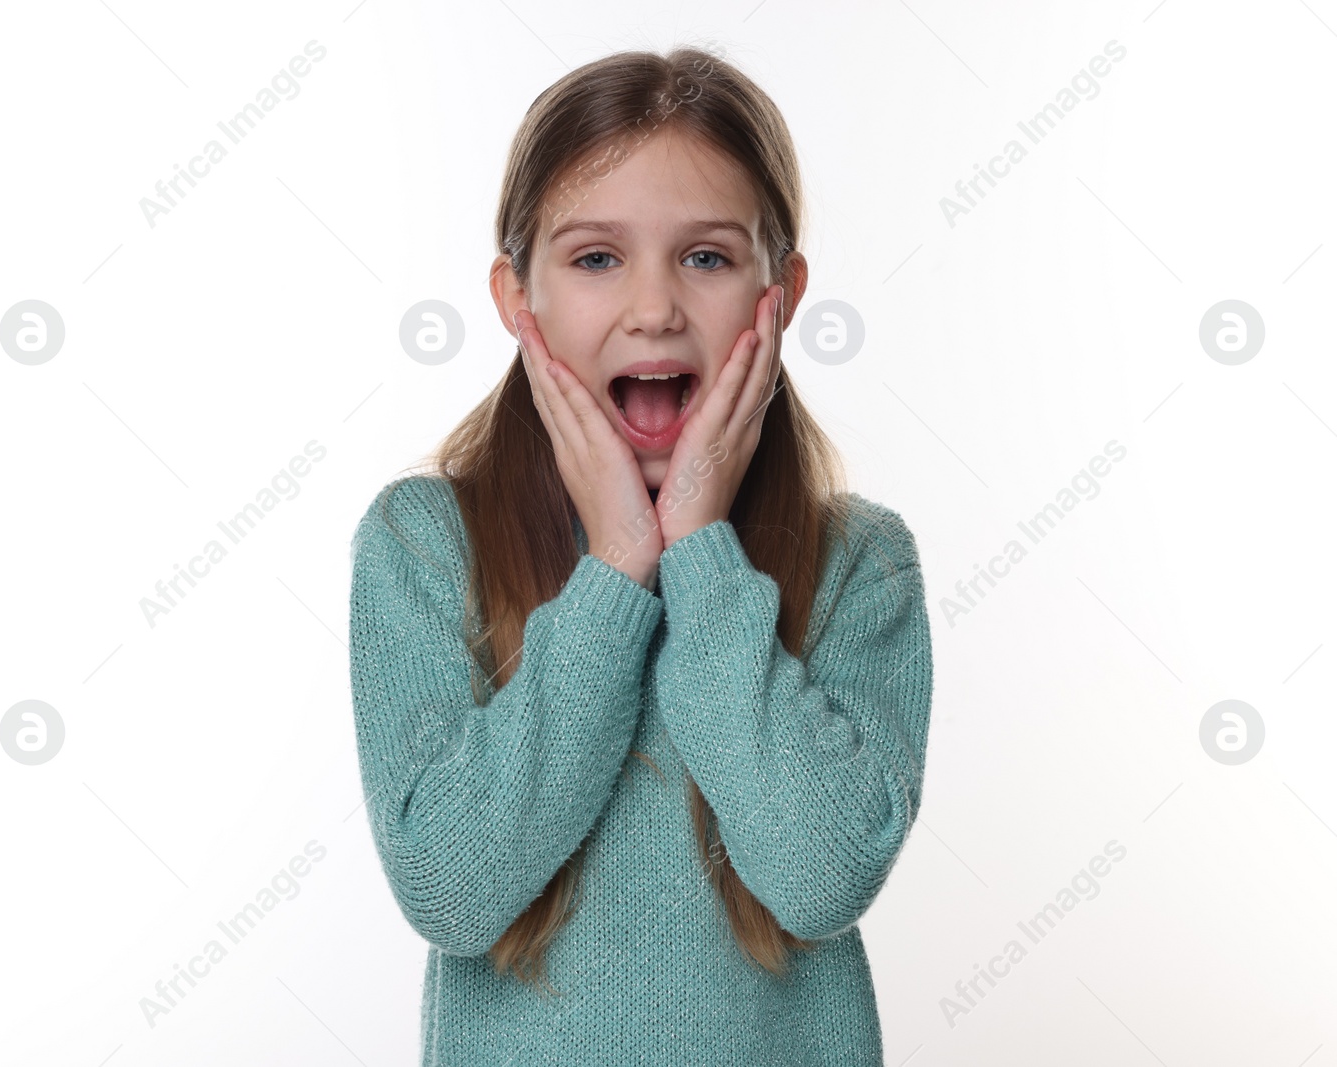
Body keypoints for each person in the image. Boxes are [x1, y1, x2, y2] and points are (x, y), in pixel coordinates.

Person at [347, 44, 934, 1066]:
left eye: (705, 257)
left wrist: (701, 553)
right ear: (514, 295)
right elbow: (449, 888)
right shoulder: (421, 543)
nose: (654, 307)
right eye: (595, 258)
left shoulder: (861, 561)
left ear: (781, 291)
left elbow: (819, 877)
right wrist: (618, 565)